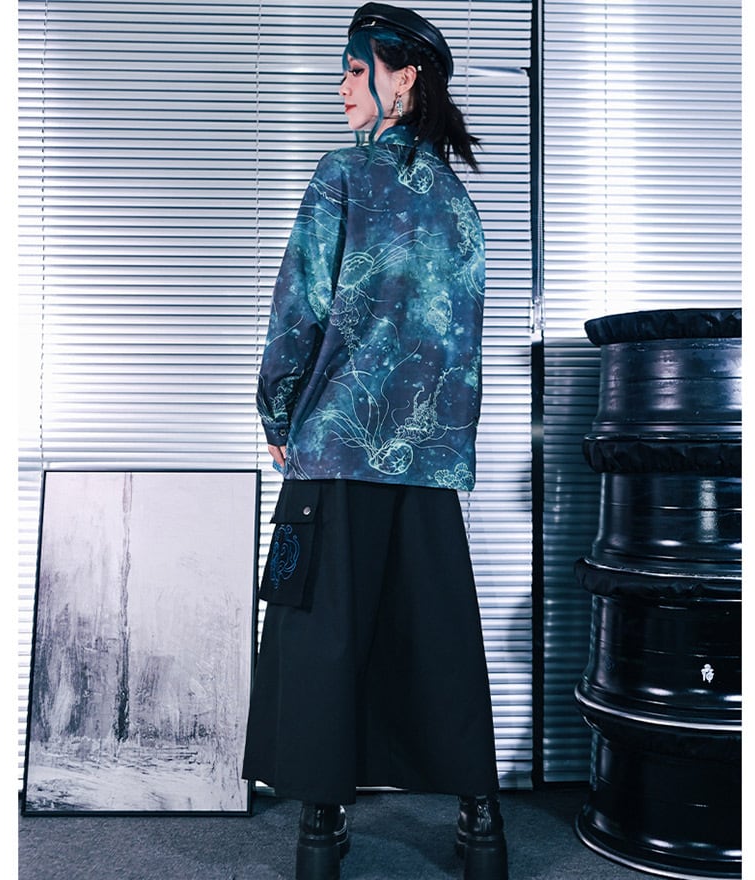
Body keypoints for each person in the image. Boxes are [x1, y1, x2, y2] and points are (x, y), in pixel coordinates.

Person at [242, 5, 508, 879]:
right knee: (438, 643)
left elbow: (300, 309)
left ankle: (321, 839)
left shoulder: (343, 177)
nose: (342, 85)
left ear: (405, 79)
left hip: (337, 451)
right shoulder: (460, 206)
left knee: (322, 639)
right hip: (428, 462)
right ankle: (482, 831)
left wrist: (278, 414)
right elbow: (462, 347)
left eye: (356, 68)